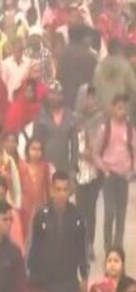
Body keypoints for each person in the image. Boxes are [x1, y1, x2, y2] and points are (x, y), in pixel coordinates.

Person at [28, 171, 89, 292]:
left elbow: (81, 248)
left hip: (69, 281)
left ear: (70, 191)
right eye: (58, 189)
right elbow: (35, 248)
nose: (62, 194)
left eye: (65, 190)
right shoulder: (41, 216)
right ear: (51, 190)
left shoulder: (77, 217)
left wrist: (84, 276)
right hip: (45, 281)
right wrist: (33, 280)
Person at [93, 94, 135, 252]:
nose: (122, 111)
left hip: (124, 177)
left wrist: (132, 171)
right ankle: (108, 247)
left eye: (124, 108)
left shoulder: (130, 129)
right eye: (119, 108)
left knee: (121, 214)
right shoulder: (106, 128)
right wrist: (104, 170)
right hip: (110, 176)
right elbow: (96, 153)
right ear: (112, 109)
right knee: (109, 213)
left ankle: (118, 247)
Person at [75, 84, 104, 260]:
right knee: (79, 210)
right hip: (78, 171)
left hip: (94, 172)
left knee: (90, 211)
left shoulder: (100, 119)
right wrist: (80, 153)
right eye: (87, 96)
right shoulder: (74, 119)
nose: (90, 100)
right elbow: (71, 144)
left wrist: (94, 153)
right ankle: (79, 245)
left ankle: (90, 245)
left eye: (93, 97)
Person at [32, 80, 79, 176]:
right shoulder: (40, 116)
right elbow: (35, 142)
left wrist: (74, 166)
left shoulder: (70, 116)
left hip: (64, 168)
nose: (55, 97)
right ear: (47, 95)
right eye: (52, 93)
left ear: (62, 96)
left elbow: (75, 144)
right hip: (44, 167)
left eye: (58, 94)